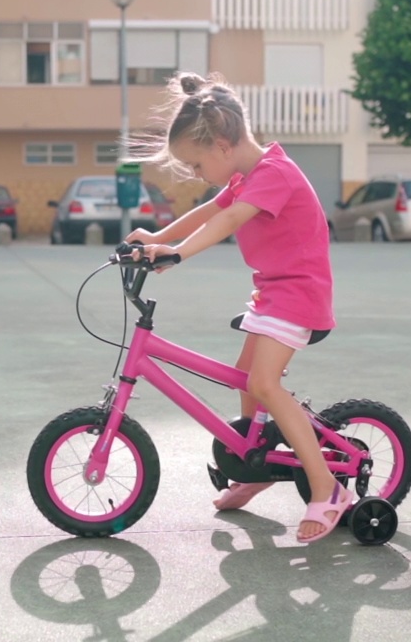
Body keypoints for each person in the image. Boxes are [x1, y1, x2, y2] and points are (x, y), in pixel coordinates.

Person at [124, 71, 346, 544]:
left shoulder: (275, 174)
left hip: (298, 294)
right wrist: (158, 237)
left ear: (222, 146)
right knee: (248, 379)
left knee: (264, 383)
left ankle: (327, 488)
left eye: (197, 165)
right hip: (273, 292)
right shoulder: (247, 175)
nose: (197, 175)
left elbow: (228, 219)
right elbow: (211, 208)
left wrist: (178, 253)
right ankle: (259, 463)